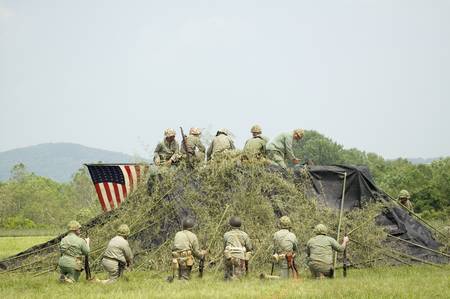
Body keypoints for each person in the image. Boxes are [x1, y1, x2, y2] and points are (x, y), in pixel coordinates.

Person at [223, 216, 253, 280]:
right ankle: (243, 274)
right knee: (248, 253)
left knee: (226, 253)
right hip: (241, 258)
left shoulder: (226, 234)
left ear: (230, 225)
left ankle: (228, 276)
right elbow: (249, 248)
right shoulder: (245, 235)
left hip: (229, 257)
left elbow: (224, 247)